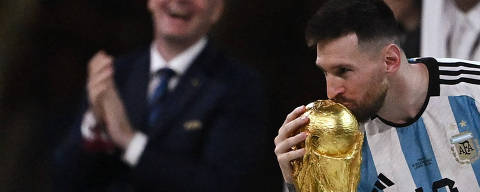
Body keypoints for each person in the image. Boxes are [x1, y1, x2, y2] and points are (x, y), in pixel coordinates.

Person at [53, 0, 277, 191]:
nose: (179, 1)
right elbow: (63, 179)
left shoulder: (238, 86)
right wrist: (93, 123)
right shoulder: (114, 74)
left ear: (217, 9)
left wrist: (129, 142)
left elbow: (223, 185)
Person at [274, 0, 480, 191]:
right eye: (325, 72)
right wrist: (298, 182)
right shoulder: (337, 138)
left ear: (390, 60)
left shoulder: (473, 93)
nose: (331, 92)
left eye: (343, 70)